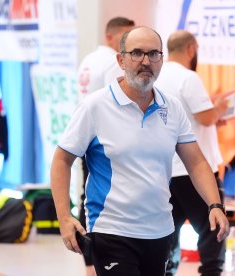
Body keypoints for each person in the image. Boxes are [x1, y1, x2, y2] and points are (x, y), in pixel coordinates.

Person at [51, 26, 230, 276]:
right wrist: (64, 217)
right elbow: (61, 159)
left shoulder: (172, 108)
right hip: (112, 230)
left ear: (161, 60)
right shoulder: (95, 106)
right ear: (120, 59)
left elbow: (197, 162)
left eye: (153, 54)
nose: (146, 61)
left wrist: (214, 205)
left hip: (159, 231)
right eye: (136, 53)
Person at [155, 30, 228, 276]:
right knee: (212, 229)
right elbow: (205, 117)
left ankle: (168, 271)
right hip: (195, 169)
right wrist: (219, 108)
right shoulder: (188, 77)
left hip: (165, 169)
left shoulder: (157, 76)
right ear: (191, 49)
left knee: (168, 232)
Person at [76, 16, 135, 276]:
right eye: (125, 36)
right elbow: (121, 99)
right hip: (107, 143)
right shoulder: (113, 62)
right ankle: (100, 263)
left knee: (87, 197)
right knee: (103, 201)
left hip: (88, 138)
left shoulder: (88, 60)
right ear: (110, 37)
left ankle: (90, 265)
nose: (128, 42)